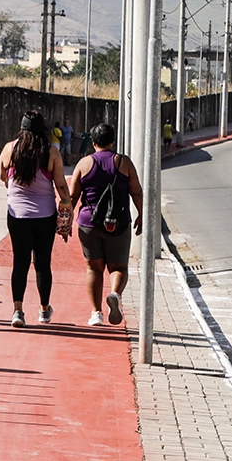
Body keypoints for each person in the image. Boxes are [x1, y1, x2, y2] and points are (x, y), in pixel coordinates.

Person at [0, 111, 69, 327]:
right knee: (42, 263)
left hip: (17, 215)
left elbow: (2, 176)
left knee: (20, 262)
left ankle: (17, 312)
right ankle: (44, 310)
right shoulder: (51, 152)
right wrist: (67, 204)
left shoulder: (10, 148)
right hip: (45, 215)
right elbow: (61, 184)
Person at [68, 122, 143, 327]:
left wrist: (65, 221)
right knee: (118, 266)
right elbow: (136, 191)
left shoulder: (84, 164)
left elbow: (72, 196)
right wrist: (141, 214)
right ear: (112, 141)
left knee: (93, 268)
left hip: (88, 223)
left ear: (93, 143)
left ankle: (96, 313)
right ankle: (115, 294)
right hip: (118, 223)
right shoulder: (124, 162)